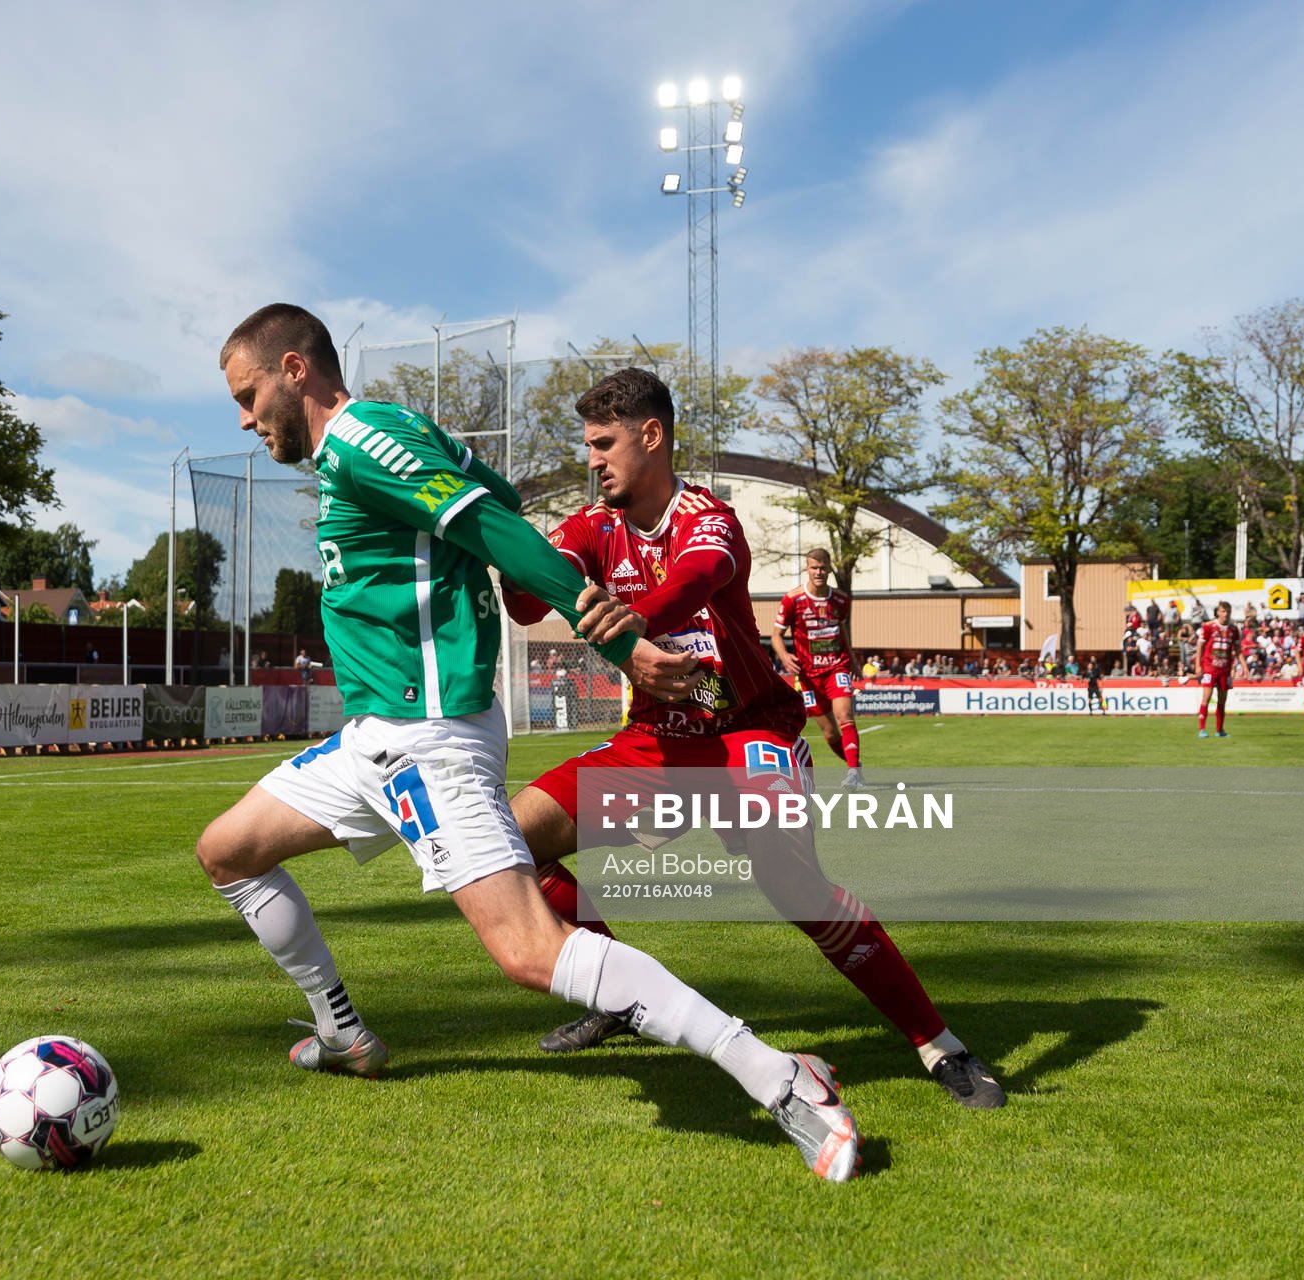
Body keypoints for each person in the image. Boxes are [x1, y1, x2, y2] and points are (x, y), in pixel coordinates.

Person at [198, 305, 861, 1181]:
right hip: (372, 735)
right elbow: (498, 496)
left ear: (293, 368)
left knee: (527, 951)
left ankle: (783, 1079)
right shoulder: (393, 429)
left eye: (248, 397)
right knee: (228, 851)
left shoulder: (362, 439)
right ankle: (343, 1031)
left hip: (427, 735)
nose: (246, 421)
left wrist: (623, 641)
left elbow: (494, 526)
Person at [498, 367, 1003, 1110]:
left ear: (651, 435)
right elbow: (523, 602)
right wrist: (500, 533)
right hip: (658, 737)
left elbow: (700, 578)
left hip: (745, 724)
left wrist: (636, 620)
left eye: (604, 444)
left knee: (793, 886)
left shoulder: (709, 516)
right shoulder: (590, 527)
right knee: (507, 843)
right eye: (587, 447)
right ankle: (612, 994)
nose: (593, 460)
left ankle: (939, 1045)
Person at [772, 548, 863, 790]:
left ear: (830, 568)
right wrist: (784, 655)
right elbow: (776, 636)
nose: (819, 572)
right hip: (807, 675)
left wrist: (852, 659)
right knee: (830, 733)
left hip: (836, 667)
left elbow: (841, 630)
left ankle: (853, 772)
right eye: (814, 567)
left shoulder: (841, 600)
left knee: (845, 716)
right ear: (807, 569)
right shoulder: (793, 599)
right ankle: (856, 765)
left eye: (823, 567)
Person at [1197, 602, 1240, 738]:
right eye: (1223, 611)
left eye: (1228, 611)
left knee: (1222, 701)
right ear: (1218, 612)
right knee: (1206, 698)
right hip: (1210, 668)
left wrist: (1243, 666)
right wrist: (1198, 665)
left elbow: (1237, 650)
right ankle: (1202, 729)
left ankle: (1219, 730)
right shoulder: (1208, 626)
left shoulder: (1234, 629)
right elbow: (1200, 647)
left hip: (1225, 670)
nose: (1225, 614)